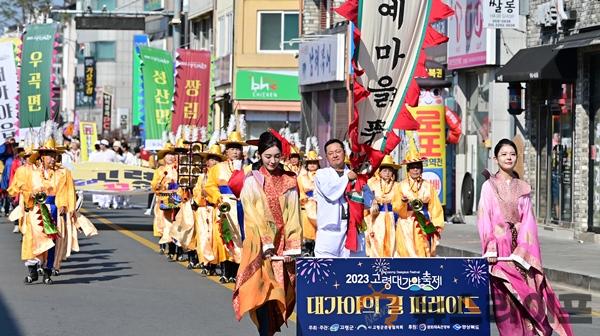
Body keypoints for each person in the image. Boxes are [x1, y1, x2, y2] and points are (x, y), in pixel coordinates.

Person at [477, 139, 573, 336]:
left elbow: (529, 220)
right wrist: (491, 248)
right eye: (503, 154)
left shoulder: (523, 188)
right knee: (506, 305)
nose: (508, 157)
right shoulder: (488, 187)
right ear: (495, 159)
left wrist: (523, 251)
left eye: (512, 154)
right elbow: (484, 219)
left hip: (520, 254)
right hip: (500, 255)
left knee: (528, 300)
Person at [233, 131, 301, 336]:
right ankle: (264, 332)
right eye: (267, 156)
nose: (272, 161)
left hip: (282, 243)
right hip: (259, 243)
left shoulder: (289, 181)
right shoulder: (253, 180)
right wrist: (266, 243)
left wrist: (292, 245)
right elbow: (252, 214)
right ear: (259, 155)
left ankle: (269, 331)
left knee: (280, 289)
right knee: (262, 291)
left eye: (276, 156)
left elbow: (293, 213)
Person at [204, 130, 250, 283]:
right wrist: (218, 198)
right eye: (232, 149)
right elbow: (210, 186)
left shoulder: (248, 168)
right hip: (225, 205)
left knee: (242, 238)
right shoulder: (218, 168)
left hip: (243, 205)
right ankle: (225, 271)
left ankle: (239, 272)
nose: (235, 152)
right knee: (225, 237)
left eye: (238, 148)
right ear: (226, 151)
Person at [313, 138, 367, 258]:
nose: (335, 155)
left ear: (344, 152)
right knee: (326, 269)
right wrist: (348, 178)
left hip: (353, 229)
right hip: (329, 232)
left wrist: (358, 186)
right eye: (330, 153)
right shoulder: (322, 174)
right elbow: (330, 192)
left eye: (338, 151)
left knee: (351, 270)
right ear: (326, 157)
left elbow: (368, 200)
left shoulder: (355, 174)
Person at [395, 139, 444, 257]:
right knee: (407, 252)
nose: (415, 169)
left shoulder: (428, 186)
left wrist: (437, 224)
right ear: (408, 169)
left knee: (424, 250)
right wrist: (403, 203)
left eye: (418, 167)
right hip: (406, 223)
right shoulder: (401, 186)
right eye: (412, 167)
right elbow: (396, 206)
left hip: (424, 222)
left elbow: (435, 206)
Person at [192, 143, 227, 274]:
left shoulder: (221, 176)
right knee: (203, 236)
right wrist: (202, 195)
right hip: (203, 210)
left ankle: (214, 264)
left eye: (217, 159)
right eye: (212, 159)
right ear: (207, 161)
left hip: (216, 209)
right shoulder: (202, 177)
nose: (214, 162)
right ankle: (206, 263)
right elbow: (196, 192)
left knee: (216, 237)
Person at [151, 141, 182, 259]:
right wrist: (159, 185)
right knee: (164, 223)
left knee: (176, 222)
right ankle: (166, 246)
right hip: (164, 199)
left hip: (176, 198)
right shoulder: (160, 170)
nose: (171, 156)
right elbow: (154, 185)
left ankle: (176, 249)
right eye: (168, 154)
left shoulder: (179, 169)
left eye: (173, 154)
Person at [366, 155, 400, 257]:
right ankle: (377, 263)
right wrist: (373, 201)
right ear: (379, 172)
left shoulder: (397, 185)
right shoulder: (373, 184)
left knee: (392, 240)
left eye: (390, 171)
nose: (387, 173)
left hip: (392, 216)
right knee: (378, 239)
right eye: (384, 170)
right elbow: (366, 197)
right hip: (377, 216)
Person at [297, 148, 321, 256]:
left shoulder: (322, 175)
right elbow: (300, 190)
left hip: (320, 206)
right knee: (307, 232)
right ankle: (307, 251)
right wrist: (304, 198)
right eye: (310, 163)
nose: (312, 165)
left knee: (319, 232)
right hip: (306, 207)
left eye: (314, 162)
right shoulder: (301, 176)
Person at [89, 139, 119, 209]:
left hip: (110, 173)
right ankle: (101, 203)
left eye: (102, 144)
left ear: (105, 145)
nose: (100, 146)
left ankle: (109, 203)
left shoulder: (111, 153)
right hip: (101, 173)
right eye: (100, 144)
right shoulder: (98, 154)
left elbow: (116, 162)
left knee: (109, 188)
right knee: (101, 188)